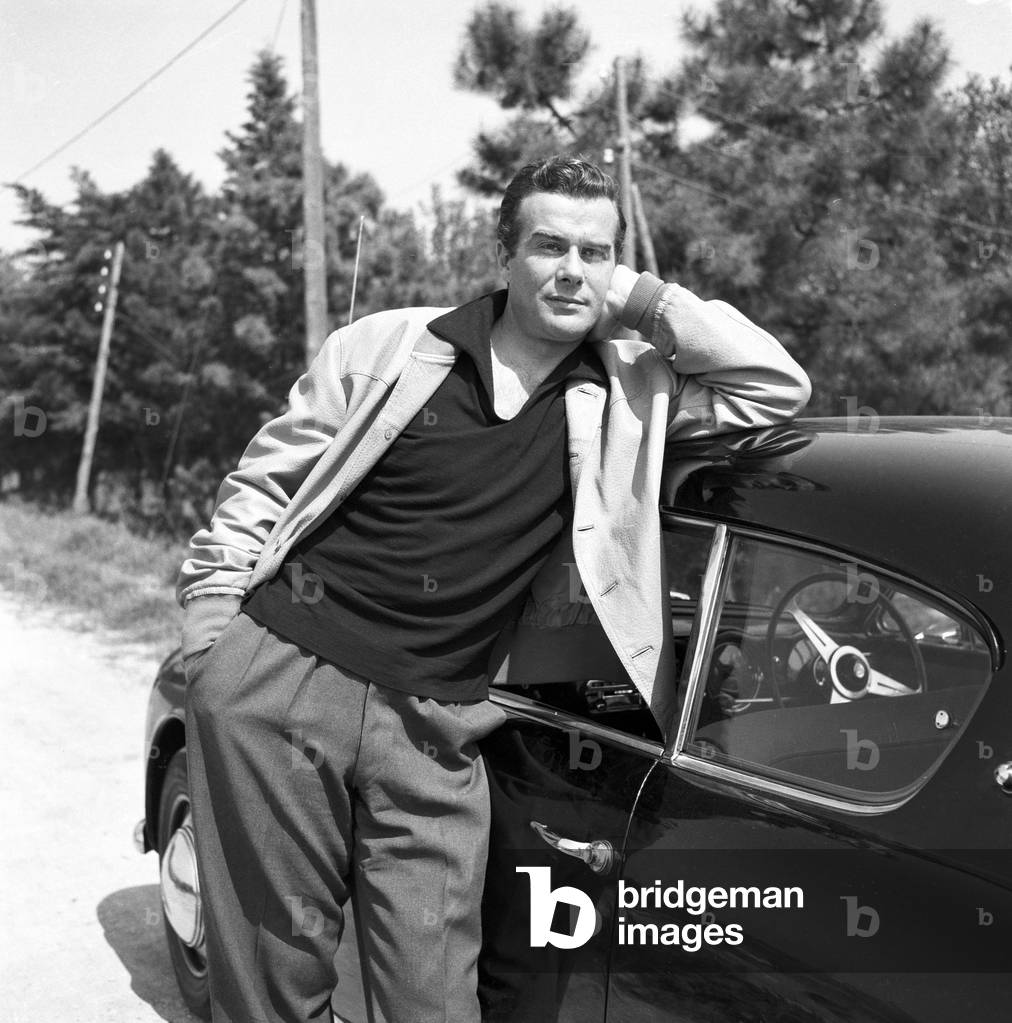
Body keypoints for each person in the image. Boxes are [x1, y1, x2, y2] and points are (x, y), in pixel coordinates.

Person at [176, 154, 811, 1023]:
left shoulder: (627, 392)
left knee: (434, 995)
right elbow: (266, 479)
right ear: (502, 253)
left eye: (595, 250)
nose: (572, 269)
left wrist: (638, 298)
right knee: (273, 979)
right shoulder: (394, 346)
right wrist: (214, 624)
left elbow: (773, 385)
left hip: (441, 724)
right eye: (549, 245)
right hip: (285, 675)